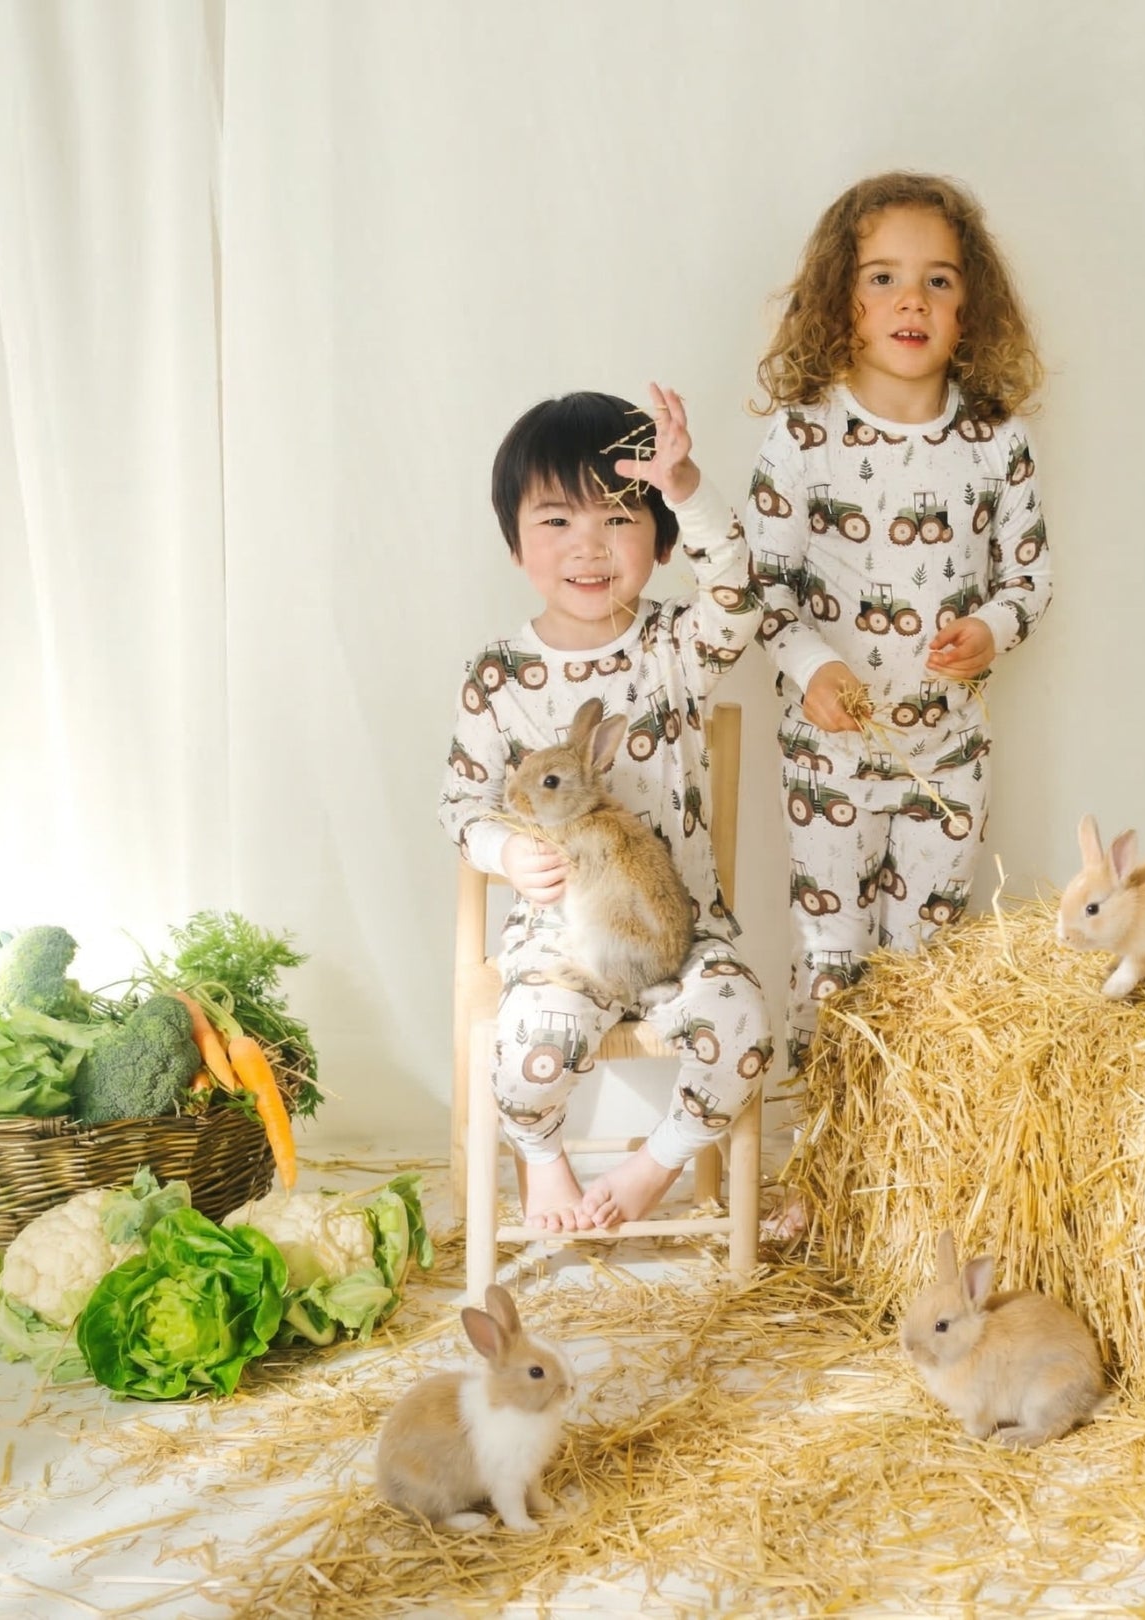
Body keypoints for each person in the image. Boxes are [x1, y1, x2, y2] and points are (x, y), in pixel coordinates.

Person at [747, 170, 1051, 1115]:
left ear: (970, 311)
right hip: (830, 755)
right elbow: (763, 586)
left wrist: (989, 630)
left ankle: (911, 1146)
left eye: (938, 281)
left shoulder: (996, 441)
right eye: (882, 278)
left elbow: (1029, 580)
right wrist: (814, 667)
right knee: (833, 954)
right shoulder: (804, 438)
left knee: (927, 960)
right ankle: (831, 1142)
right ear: (840, 301)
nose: (911, 300)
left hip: (946, 756)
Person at [440, 384, 770, 1233]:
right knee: (523, 1044)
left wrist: (687, 485)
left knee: (744, 1024)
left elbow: (739, 595)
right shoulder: (498, 676)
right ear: (516, 542)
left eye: (620, 517)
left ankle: (657, 1163)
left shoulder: (677, 647)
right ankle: (543, 1160)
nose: (589, 546)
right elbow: (463, 805)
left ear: (661, 537)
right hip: (560, 943)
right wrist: (507, 854)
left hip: (680, 933)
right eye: (556, 520)